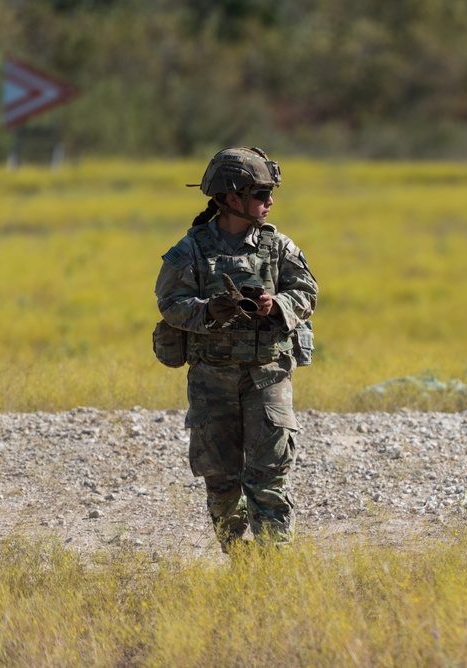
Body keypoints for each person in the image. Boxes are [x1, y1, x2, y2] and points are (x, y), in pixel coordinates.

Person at [154, 146, 318, 553]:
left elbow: (306, 291)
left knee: (269, 476)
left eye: (269, 194)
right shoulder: (190, 249)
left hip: (267, 375)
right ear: (231, 198)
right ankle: (238, 558)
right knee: (222, 479)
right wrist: (209, 310)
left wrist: (275, 304)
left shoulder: (276, 245)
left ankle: (274, 567)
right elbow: (170, 304)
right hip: (212, 378)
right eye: (261, 194)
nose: (270, 202)